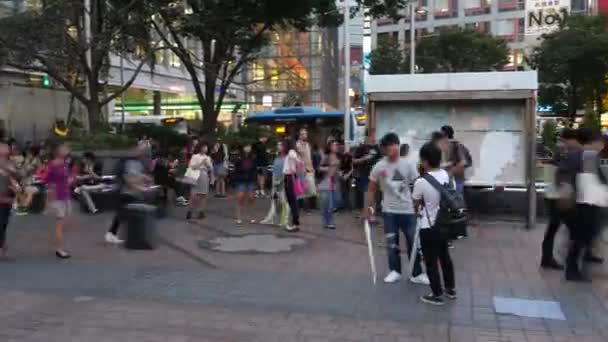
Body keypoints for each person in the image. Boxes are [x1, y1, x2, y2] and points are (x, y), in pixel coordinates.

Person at [366, 133, 428, 285]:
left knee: (413, 242)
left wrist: (420, 205)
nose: (388, 149)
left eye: (391, 145)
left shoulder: (408, 165)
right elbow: (371, 189)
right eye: (386, 147)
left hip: (408, 210)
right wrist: (368, 207)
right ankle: (395, 271)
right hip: (389, 211)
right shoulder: (379, 166)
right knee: (391, 242)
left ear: (397, 145)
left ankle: (417, 273)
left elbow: (417, 185)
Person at [412, 142, 457, 305]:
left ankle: (436, 294)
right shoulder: (446, 175)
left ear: (425, 161)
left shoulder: (420, 182)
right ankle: (450, 289)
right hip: (444, 223)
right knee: (445, 256)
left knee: (430, 261)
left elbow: (416, 204)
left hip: (428, 226)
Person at [541, 128, 578, 270]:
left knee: (554, 227)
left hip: (553, 194)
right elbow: (559, 173)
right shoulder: (564, 152)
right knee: (564, 227)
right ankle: (550, 258)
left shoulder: (559, 150)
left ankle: (547, 258)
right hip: (557, 195)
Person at [105, 145, 150, 244]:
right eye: (140, 151)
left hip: (132, 192)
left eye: (143, 152)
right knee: (123, 213)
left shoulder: (138, 163)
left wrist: (145, 179)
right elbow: (128, 178)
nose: (142, 154)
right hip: (126, 192)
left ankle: (113, 234)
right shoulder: (130, 162)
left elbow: (139, 176)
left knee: (123, 213)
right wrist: (140, 187)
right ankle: (113, 234)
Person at [47, 143, 73, 259]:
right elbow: (50, 182)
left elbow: (65, 179)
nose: (67, 150)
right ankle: (59, 249)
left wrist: (70, 180)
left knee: (64, 223)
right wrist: (51, 199)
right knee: (60, 224)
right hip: (58, 197)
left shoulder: (65, 163)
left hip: (65, 195)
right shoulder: (53, 164)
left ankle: (58, 245)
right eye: (64, 148)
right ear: (58, 151)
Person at [261, 141, 290, 227]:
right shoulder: (277, 157)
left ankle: (284, 220)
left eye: (280, 145)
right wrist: (274, 183)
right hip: (275, 182)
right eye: (277, 145)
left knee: (283, 202)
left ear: (284, 147)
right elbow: (274, 171)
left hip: (284, 183)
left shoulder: (287, 158)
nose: (278, 147)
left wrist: (281, 181)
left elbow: (287, 171)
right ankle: (271, 219)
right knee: (274, 201)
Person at [441, 125, 472, 195]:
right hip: (450, 179)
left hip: (456, 179)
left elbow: (463, 162)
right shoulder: (448, 145)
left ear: (445, 134)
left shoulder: (457, 145)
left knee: (457, 198)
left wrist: (451, 171)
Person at [353, 135, 381, 213]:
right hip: (364, 174)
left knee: (373, 195)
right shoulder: (361, 148)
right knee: (366, 194)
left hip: (375, 175)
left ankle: (372, 215)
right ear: (366, 138)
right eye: (371, 137)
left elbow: (381, 159)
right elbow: (354, 161)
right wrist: (364, 158)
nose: (373, 139)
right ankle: (366, 214)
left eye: (374, 137)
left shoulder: (377, 148)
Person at [186, 143, 213, 220]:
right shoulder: (195, 156)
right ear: (200, 148)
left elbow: (211, 168)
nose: (205, 149)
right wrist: (201, 163)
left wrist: (208, 165)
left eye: (206, 147)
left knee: (203, 194)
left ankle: (201, 212)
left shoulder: (207, 157)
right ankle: (190, 211)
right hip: (196, 175)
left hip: (204, 175)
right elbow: (192, 167)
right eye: (204, 147)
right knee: (194, 195)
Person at [0, 142, 18, 258]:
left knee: (4, 223)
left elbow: (18, 176)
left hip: (8, 197)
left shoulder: (11, 163)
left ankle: (2, 245)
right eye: (3, 147)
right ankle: (2, 246)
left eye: (6, 147)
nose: (6, 149)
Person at [233, 143, 258, 224]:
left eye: (249, 147)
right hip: (241, 179)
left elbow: (255, 169)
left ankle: (252, 216)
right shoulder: (239, 157)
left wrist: (254, 178)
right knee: (240, 197)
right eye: (246, 146)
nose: (247, 148)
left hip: (251, 179)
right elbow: (236, 168)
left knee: (251, 198)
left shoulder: (253, 157)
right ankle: (239, 217)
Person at [319, 140, 340, 229]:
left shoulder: (337, 156)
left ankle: (328, 221)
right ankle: (328, 222)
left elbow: (337, 169)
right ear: (330, 147)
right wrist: (328, 168)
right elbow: (319, 167)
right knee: (327, 203)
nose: (336, 147)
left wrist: (339, 172)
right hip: (326, 181)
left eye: (336, 145)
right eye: (334, 145)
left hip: (334, 182)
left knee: (334, 203)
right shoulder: (326, 157)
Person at [283, 137, 301, 232]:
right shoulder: (291, 153)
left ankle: (295, 223)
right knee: (291, 201)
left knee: (292, 201)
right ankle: (294, 222)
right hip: (289, 177)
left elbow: (298, 162)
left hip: (290, 177)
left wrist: (293, 168)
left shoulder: (291, 152)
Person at [296, 128, 317, 211]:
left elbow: (309, 157)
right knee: (301, 190)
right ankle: (302, 206)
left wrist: (312, 168)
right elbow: (299, 157)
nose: (305, 135)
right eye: (303, 134)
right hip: (301, 170)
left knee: (311, 190)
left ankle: (308, 206)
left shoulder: (308, 145)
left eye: (306, 134)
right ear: (299, 135)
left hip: (309, 169)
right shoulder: (297, 145)